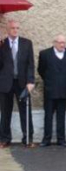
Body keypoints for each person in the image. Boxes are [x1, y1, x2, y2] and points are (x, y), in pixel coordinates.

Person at [0, 19, 36, 147]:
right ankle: (4, 139)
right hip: (5, 83)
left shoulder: (26, 43)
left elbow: (31, 64)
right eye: (12, 28)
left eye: (17, 28)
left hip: (23, 83)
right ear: (7, 30)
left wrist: (31, 81)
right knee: (5, 112)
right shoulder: (2, 44)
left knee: (25, 112)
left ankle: (28, 139)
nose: (15, 30)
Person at [37, 34, 66, 147]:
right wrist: (50, 80)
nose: (62, 45)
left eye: (64, 42)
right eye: (60, 42)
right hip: (49, 89)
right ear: (54, 42)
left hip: (64, 89)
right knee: (48, 115)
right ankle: (46, 139)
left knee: (61, 115)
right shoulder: (44, 54)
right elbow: (41, 70)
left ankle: (61, 139)